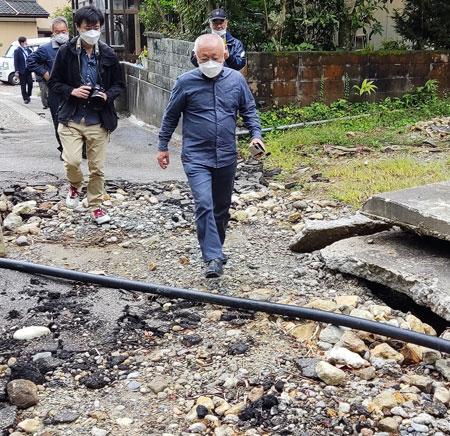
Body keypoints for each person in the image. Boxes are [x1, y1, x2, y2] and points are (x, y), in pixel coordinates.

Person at [158, 33, 265, 278]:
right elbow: (170, 116)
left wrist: (256, 135)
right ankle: (213, 258)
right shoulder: (185, 82)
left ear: (225, 54)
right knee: (204, 204)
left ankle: (215, 247)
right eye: (204, 58)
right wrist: (162, 146)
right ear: (195, 57)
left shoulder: (236, 80)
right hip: (196, 156)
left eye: (215, 57)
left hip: (226, 155)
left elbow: (249, 110)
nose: (210, 62)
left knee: (221, 208)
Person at [48, 5, 125, 225]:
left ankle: (96, 206)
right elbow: (53, 82)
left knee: (97, 168)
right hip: (71, 117)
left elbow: (119, 85)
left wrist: (106, 95)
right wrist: (71, 91)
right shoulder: (66, 51)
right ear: (78, 28)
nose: (92, 31)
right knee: (72, 161)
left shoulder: (108, 53)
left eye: (96, 27)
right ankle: (74, 185)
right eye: (87, 27)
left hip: (98, 119)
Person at [28, 17, 70, 158]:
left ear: (68, 30)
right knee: (59, 120)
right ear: (52, 32)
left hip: (73, 90)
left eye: (63, 31)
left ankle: (80, 149)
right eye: (57, 32)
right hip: (55, 91)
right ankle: (64, 149)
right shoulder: (46, 49)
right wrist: (45, 73)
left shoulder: (74, 46)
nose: (61, 34)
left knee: (77, 119)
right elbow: (30, 61)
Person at [13, 37, 33, 104]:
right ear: (21, 43)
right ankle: (25, 98)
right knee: (23, 85)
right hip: (22, 70)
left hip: (28, 70)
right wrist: (16, 71)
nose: (26, 43)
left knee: (30, 83)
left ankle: (29, 95)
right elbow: (16, 61)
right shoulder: (17, 51)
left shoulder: (29, 50)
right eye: (25, 42)